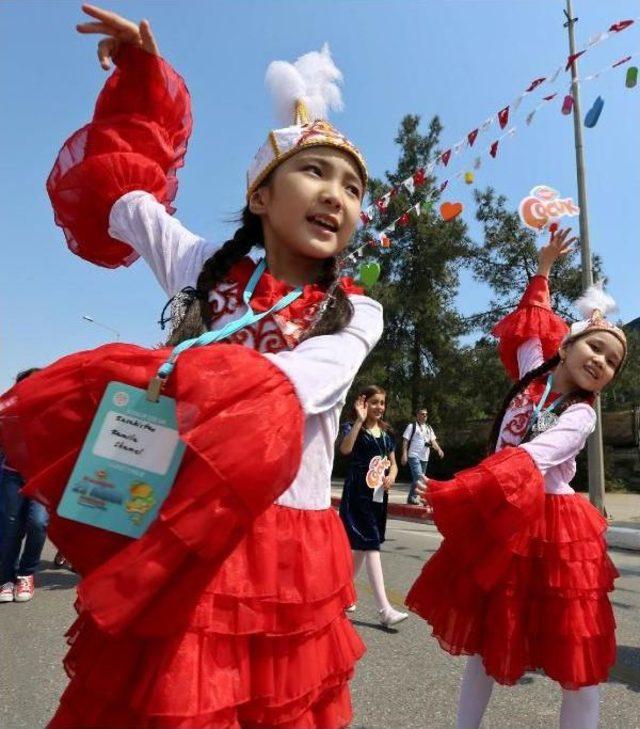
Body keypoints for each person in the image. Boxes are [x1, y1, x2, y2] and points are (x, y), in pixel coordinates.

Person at [0, 6, 383, 727]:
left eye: (354, 187)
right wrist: (144, 83)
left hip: (287, 541)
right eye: (314, 172)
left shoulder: (358, 311)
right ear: (260, 196)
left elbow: (297, 385)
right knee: (173, 703)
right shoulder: (205, 266)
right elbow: (127, 198)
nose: (338, 194)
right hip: (188, 527)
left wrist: (182, 378)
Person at [405, 228, 626, 729]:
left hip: (554, 525)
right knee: (487, 635)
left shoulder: (581, 416)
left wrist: (461, 487)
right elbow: (531, 327)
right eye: (595, 348)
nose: (601, 363)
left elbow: (533, 459)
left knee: (576, 653)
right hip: (508, 518)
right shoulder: (533, 374)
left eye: (612, 362)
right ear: (567, 345)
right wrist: (544, 268)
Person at [338, 386, 408, 628]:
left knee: (359, 549)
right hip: (357, 495)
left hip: (378, 497)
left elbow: (394, 464)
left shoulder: (387, 434)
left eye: (383, 403)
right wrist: (358, 421)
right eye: (375, 402)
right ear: (364, 403)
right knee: (371, 546)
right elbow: (345, 450)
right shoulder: (354, 428)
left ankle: (340, 597)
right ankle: (384, 609)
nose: (379, 407)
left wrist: (392, 476)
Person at [0, 368, 48, 603]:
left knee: (38, 523)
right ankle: (5, 578)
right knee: (10, 527)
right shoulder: (8, 411)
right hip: (12, 475)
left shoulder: (53, 411)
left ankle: (26, 573)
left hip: (41, 478)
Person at [401, 407, 444, 504]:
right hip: (413, 455)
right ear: (417, 415)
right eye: (422, 414)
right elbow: (405, 441)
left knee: (419, 478)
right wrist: (404, 454)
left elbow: (433, 441)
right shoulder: (412, 426)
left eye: (426, 414)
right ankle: (423, 497)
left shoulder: (428, 428)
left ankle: (412, 497)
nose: (424, 416)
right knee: (419, 476)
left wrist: (439, 449)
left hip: (425, 457)